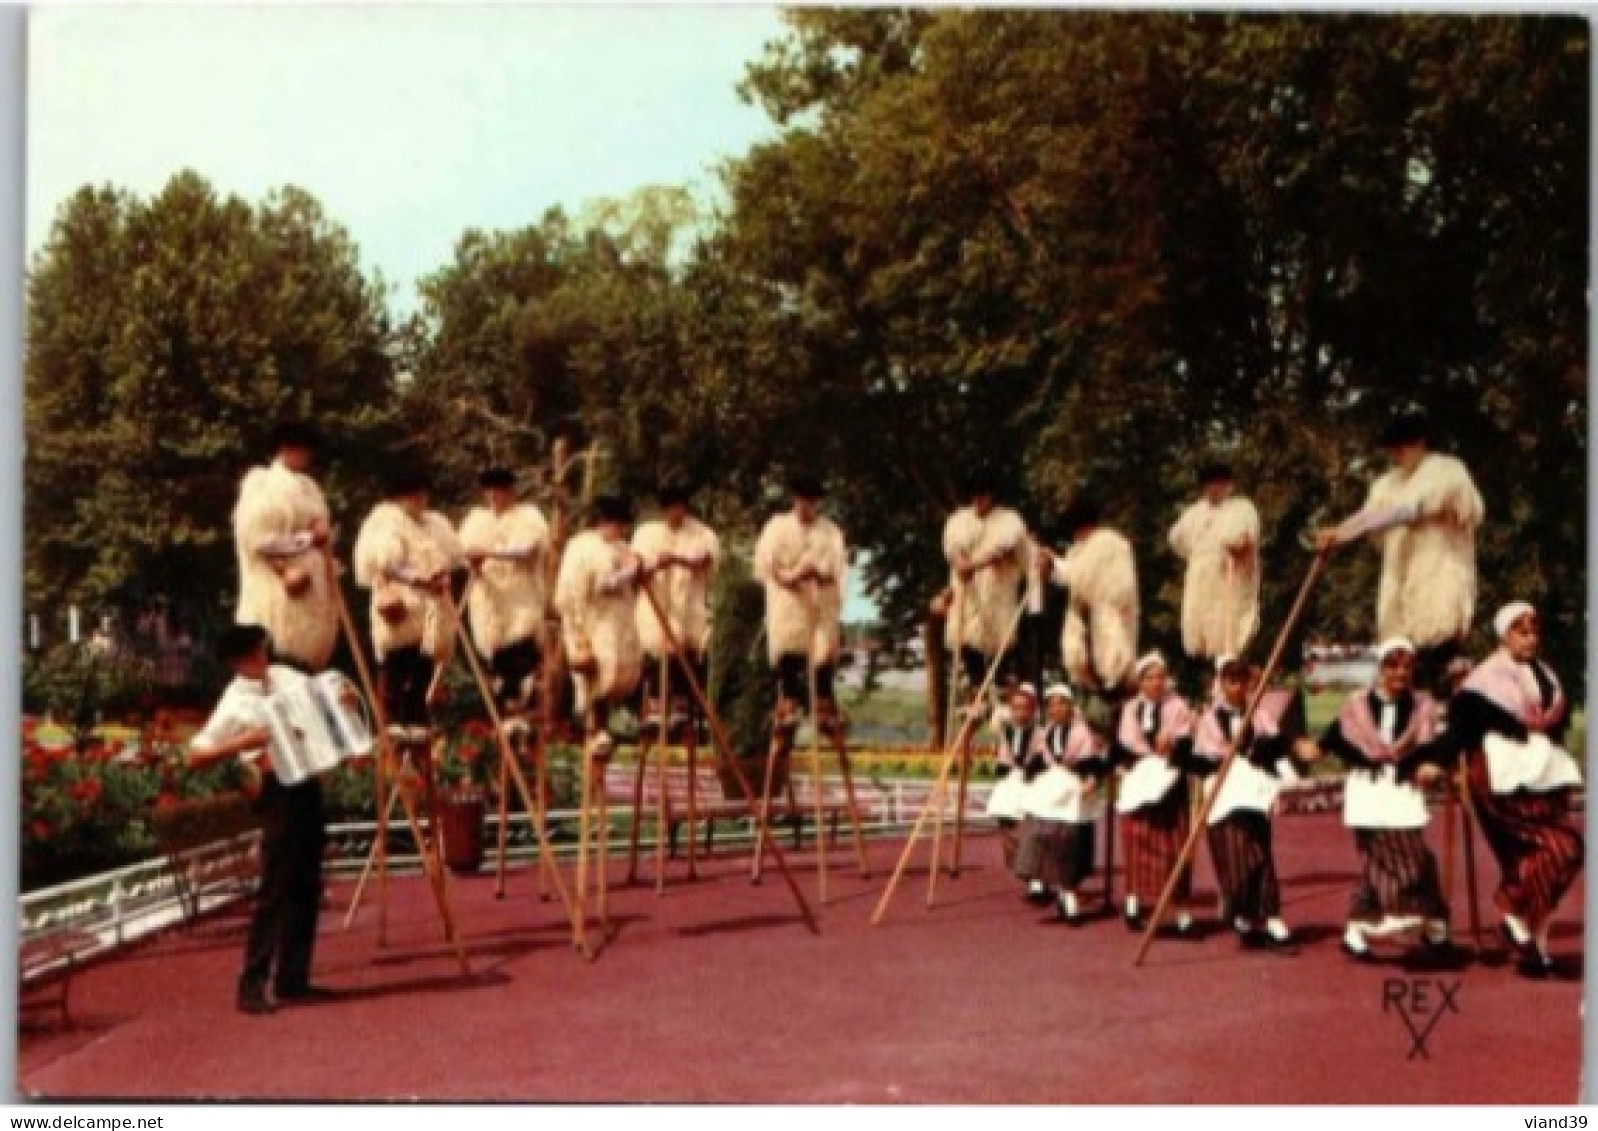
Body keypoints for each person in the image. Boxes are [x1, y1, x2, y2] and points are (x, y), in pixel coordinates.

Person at [1428, 602, 1583, 978]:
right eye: (1520, 631)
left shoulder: (1545, 674)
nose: (1530, 639)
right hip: (1500, 778)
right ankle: (1513, 914)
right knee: (1562, 848)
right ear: (1504, 635)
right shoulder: (1483, 680)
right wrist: (1437, 761)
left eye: (1534, 631)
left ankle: (1532, 943)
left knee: (1546, 860)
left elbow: (1552, 727)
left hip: (1544, 776)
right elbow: (1460, 730)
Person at [187, 624, 332, 1015]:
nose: (261, 658)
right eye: (252, 654)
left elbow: (324, 697)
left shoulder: (285, 677)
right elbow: (195, 755)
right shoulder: (234, 702)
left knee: (307, 884)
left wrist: (343, 700)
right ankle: (251, 984)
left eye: (261, 649)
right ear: (236, 662)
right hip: (277, 790)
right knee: (276, 887)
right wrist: (243, 742)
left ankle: (293, 978)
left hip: (306, 782)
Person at [1298, 638, 1455, 965]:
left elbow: (1431, 746)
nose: (1400, 673)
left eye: (1407, 666)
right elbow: (1331, 740)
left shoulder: (1421, 706)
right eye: (1392, 666)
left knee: (1409, 857)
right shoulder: (1356, 705)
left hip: (1402, 787)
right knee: (1397, 857)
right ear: (1380, 668)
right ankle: (1410, 916)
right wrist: (1305, 750)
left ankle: (1359, 929)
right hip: (1369, 789)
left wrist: (1437, 765)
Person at [1316, 411, 1485, 693]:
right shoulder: (1387, 483)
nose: (1396, 454)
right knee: (1401, 663)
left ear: (1421, 442)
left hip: (1438, 579)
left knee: (1436, 657)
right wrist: (1338, 532)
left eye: (1402, 446)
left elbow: (1409, 510)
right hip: (1399, 583)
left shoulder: (1446, 471)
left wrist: (1344, 533)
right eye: (1392, 448)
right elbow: (1371, 514)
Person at [1186, 655, 1301, 950]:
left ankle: (1272, 919)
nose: (1237, 688)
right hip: (1224, 794)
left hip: (1253, 792)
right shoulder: (1209, 719)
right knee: (1235, 859)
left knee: (1261, 854)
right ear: (1222, 683)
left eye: (1243, 682)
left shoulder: (1259, 716)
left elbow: (1275, 748)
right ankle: (1245, 918)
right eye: (1231, 681)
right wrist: (1222, 757)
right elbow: (1200, 760)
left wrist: (1281, 769)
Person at [353, 468, 463, 740]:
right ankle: (393, 718)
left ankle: (416, 716)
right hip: (401, 600)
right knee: (397, 661)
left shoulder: (436, 524)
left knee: (424, 661)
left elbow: (451, 557)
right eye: (414, 495)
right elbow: (387, 563)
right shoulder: (386, 523)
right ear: (401, 498)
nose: (421, 499)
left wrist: (442, 576)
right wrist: (421, 580)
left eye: (423, 494)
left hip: (431, 604)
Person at [232, 422, 338, 673]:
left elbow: (320, 532)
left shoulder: (310, 488)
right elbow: (259, 541)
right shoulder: (262, 484)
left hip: (310, 599)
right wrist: (308, 541)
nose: (309, 456)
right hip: (278, 592)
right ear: (287, 448)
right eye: (304, 449)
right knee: (280, 662)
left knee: (305, 667)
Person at [752, 474, 849, 735]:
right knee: (788, 651)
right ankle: (789, 703)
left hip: (819, 607)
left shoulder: (830, 532)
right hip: (788, 606)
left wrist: (816, 572)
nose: (807, 506)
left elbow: (836, 569)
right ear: (795, 500)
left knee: (823, 654)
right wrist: (794, 575)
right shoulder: (777, 527)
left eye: (812, 501)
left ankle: (824, 704)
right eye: (803, 500)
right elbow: (768, 567)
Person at [1110, 652, 1196, 934]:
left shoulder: (1178, 706)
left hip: (1170, 783)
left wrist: (1172, 746)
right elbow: (1123, 747)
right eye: (1150, 677)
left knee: (1174, 846)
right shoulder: (1130, 709)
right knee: (1136, 840)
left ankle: (1181, 911)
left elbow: (1186, 744)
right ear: (1140, 681)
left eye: (1161, 676)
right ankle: (1134, 901)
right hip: (1139, 780)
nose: (1157, 682)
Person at [555, 493, 646, 757]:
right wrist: (628, 571)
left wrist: (637, 568)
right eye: (619, 526)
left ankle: (605, 725)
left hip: (618, 620)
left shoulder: (619, 547)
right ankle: (594, 728)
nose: (621, 532)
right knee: (597, 671)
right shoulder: (585, 547)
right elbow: (599, 584)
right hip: (594, 621)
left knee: (616, 673)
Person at [458, 467, 550, 719]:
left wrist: (488, 552)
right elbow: (462, 551)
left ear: (510, 492)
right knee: (494, 652)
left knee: (520, 648)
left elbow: (526, 549)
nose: (494, 496)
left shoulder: (528, 517)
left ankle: (520, 703)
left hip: (519, 597)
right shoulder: (476, 520)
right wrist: (471, 560)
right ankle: (507, 707)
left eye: (499, 491)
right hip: (487, 598)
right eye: (490, 491)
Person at [1014, 683, 1111, 924]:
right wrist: (1029, 772)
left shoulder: (1081, 733)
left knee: (1069, 841)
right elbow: (1039, 758)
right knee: (1040, 834)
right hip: (1050, 789)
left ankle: (1069, 896)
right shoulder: (1046, 732)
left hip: (1073, 790)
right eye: (1052, 704)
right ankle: (1051, 886)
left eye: (1061, 703)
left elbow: (1092, 761)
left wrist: (1092, 780)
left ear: (1070, 707)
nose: (1056, 708)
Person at [1037, 499, 1139, 723]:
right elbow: (1073, 577)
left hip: (1107, 622)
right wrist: (1053, 565)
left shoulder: (1112, 546)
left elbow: (1120, 589)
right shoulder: (1076, 551)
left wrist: (1094, 599)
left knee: (1113, 676)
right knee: (1088, 680)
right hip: (1083, 623)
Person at [939, 471, 1033, 708]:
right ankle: (972, 717)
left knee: (1001, 669)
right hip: (967, 604)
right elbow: (953, 550)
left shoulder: (1009, 522)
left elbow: (1004, 548)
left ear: (991, 496)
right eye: (974, 496)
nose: (978, 501)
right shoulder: (958, 522)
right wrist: (961, 564)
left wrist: (975, 565)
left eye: (983, 496)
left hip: (998, 606)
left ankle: (1008, 719)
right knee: (973, 673)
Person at [632, 480, 721, 731]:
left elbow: (705, 560)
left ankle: (682, 703)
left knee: (687, 650)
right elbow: (636, 567)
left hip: (689, 610)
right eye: (671, 508)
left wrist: (677, 560)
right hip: (655, 607)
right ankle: (655, 703)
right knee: (656, 648)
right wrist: (654, 564)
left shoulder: (701, 533)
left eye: (680, 507)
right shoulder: (646, 533)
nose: (676, 513)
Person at [1168, 461, 1260, 662]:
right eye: (1209, 484)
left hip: (1230, 579)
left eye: (1219, 483)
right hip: (1201, 581)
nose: (1214, 488)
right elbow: (1177, 540)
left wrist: (1235, 546)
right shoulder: (1193, 513)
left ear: (1229, 485)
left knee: (1231, 634)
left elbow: (1245, 539)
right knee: (1201, 632)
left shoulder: (1242, 508)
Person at [983, 682, 1043, 888]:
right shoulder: (1007, 731)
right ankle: (1021, 867)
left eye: (1025, 708)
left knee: (1028, 827)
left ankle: (1035, 873)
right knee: (1006, 823)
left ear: (1033, 710)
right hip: (1010, 781)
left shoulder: (1040, 733)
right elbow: (1005, 759)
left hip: (1032, 781)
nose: (1020, 713)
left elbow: (1040, 757)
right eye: (1016, 708)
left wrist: (1031, 768)